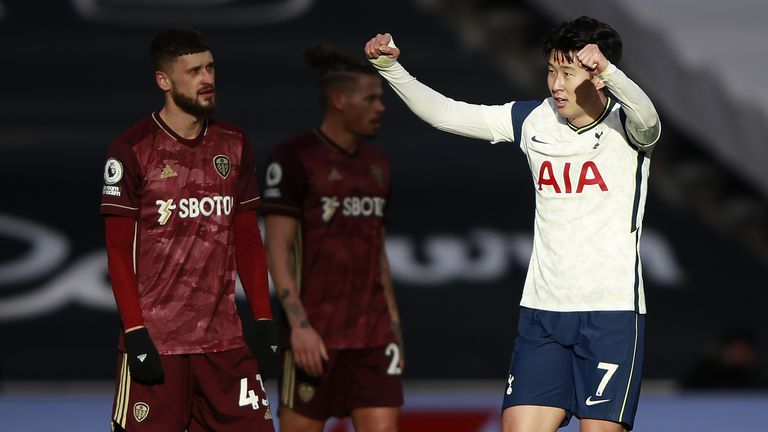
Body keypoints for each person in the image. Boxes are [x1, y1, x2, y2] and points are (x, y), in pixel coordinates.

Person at [365, 15, 661, 432]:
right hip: (542, 311)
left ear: (597, 77)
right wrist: (390, 68)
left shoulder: (627, 127)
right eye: (552, 71)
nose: (556, 84)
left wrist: (612, 72)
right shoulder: (532, 120)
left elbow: (649, 118)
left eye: (568, 73)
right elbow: (447, 114)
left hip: (610, 313)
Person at [100, 27, 277, 432]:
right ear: (163, 80)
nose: (207, 79)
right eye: (194, 70)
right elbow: (118, 252)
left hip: (225, 344)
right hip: (159, 344)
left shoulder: (234, 143)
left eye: (210, 67)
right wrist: (136, 333)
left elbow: (248, 239)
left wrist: (264, 320)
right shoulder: (132, 150)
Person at [261, 43, 403, 432]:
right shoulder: (294, 159)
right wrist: (299, 328)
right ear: (339, 100)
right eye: (371, 98)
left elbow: (379, 251)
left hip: (373, 337)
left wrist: (393, 326)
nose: (381, 107)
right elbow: (277, 251)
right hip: (316, 337)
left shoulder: (379, 164)